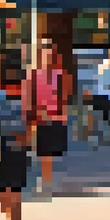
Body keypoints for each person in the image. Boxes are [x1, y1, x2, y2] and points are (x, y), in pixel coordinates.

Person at [0, 54, 33, 220]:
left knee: (10, 190)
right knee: (8, 190)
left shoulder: (22, 93)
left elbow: (30, 119)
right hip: (7, 145)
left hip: (9, 145)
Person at [27, 40, 71, 195]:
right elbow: (29, 98)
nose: (47, 56)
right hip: (38, 118)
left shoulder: (59, 75)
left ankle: (46, 181)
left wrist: (63, 116)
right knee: (40, 153)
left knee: (48, 154)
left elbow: (63, 97)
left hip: (54, 118)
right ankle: (43, 181)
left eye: (50, 52)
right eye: (44, 52)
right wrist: (32, 116)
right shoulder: (33, 75)